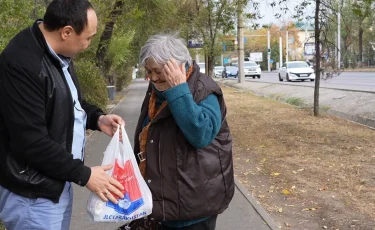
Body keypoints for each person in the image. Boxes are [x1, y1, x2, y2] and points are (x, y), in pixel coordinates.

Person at [0, 1, 125, 229]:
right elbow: (31, 142)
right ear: (66, 32)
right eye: (88, 38)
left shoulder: (57, 55)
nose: (88, 44)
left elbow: (69, 103)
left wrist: (98, 118)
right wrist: (85, 175)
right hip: (33, 194)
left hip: (55, 183)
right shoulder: (22, 64)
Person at [128, 34, 235, 230]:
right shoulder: (156, 89)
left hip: (194, 207)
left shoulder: (204, 90)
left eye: (158, 71)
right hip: (162, 203)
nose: (152, 77)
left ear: (178, 66)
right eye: (148, 71)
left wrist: (178, 89)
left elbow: (200, 134)